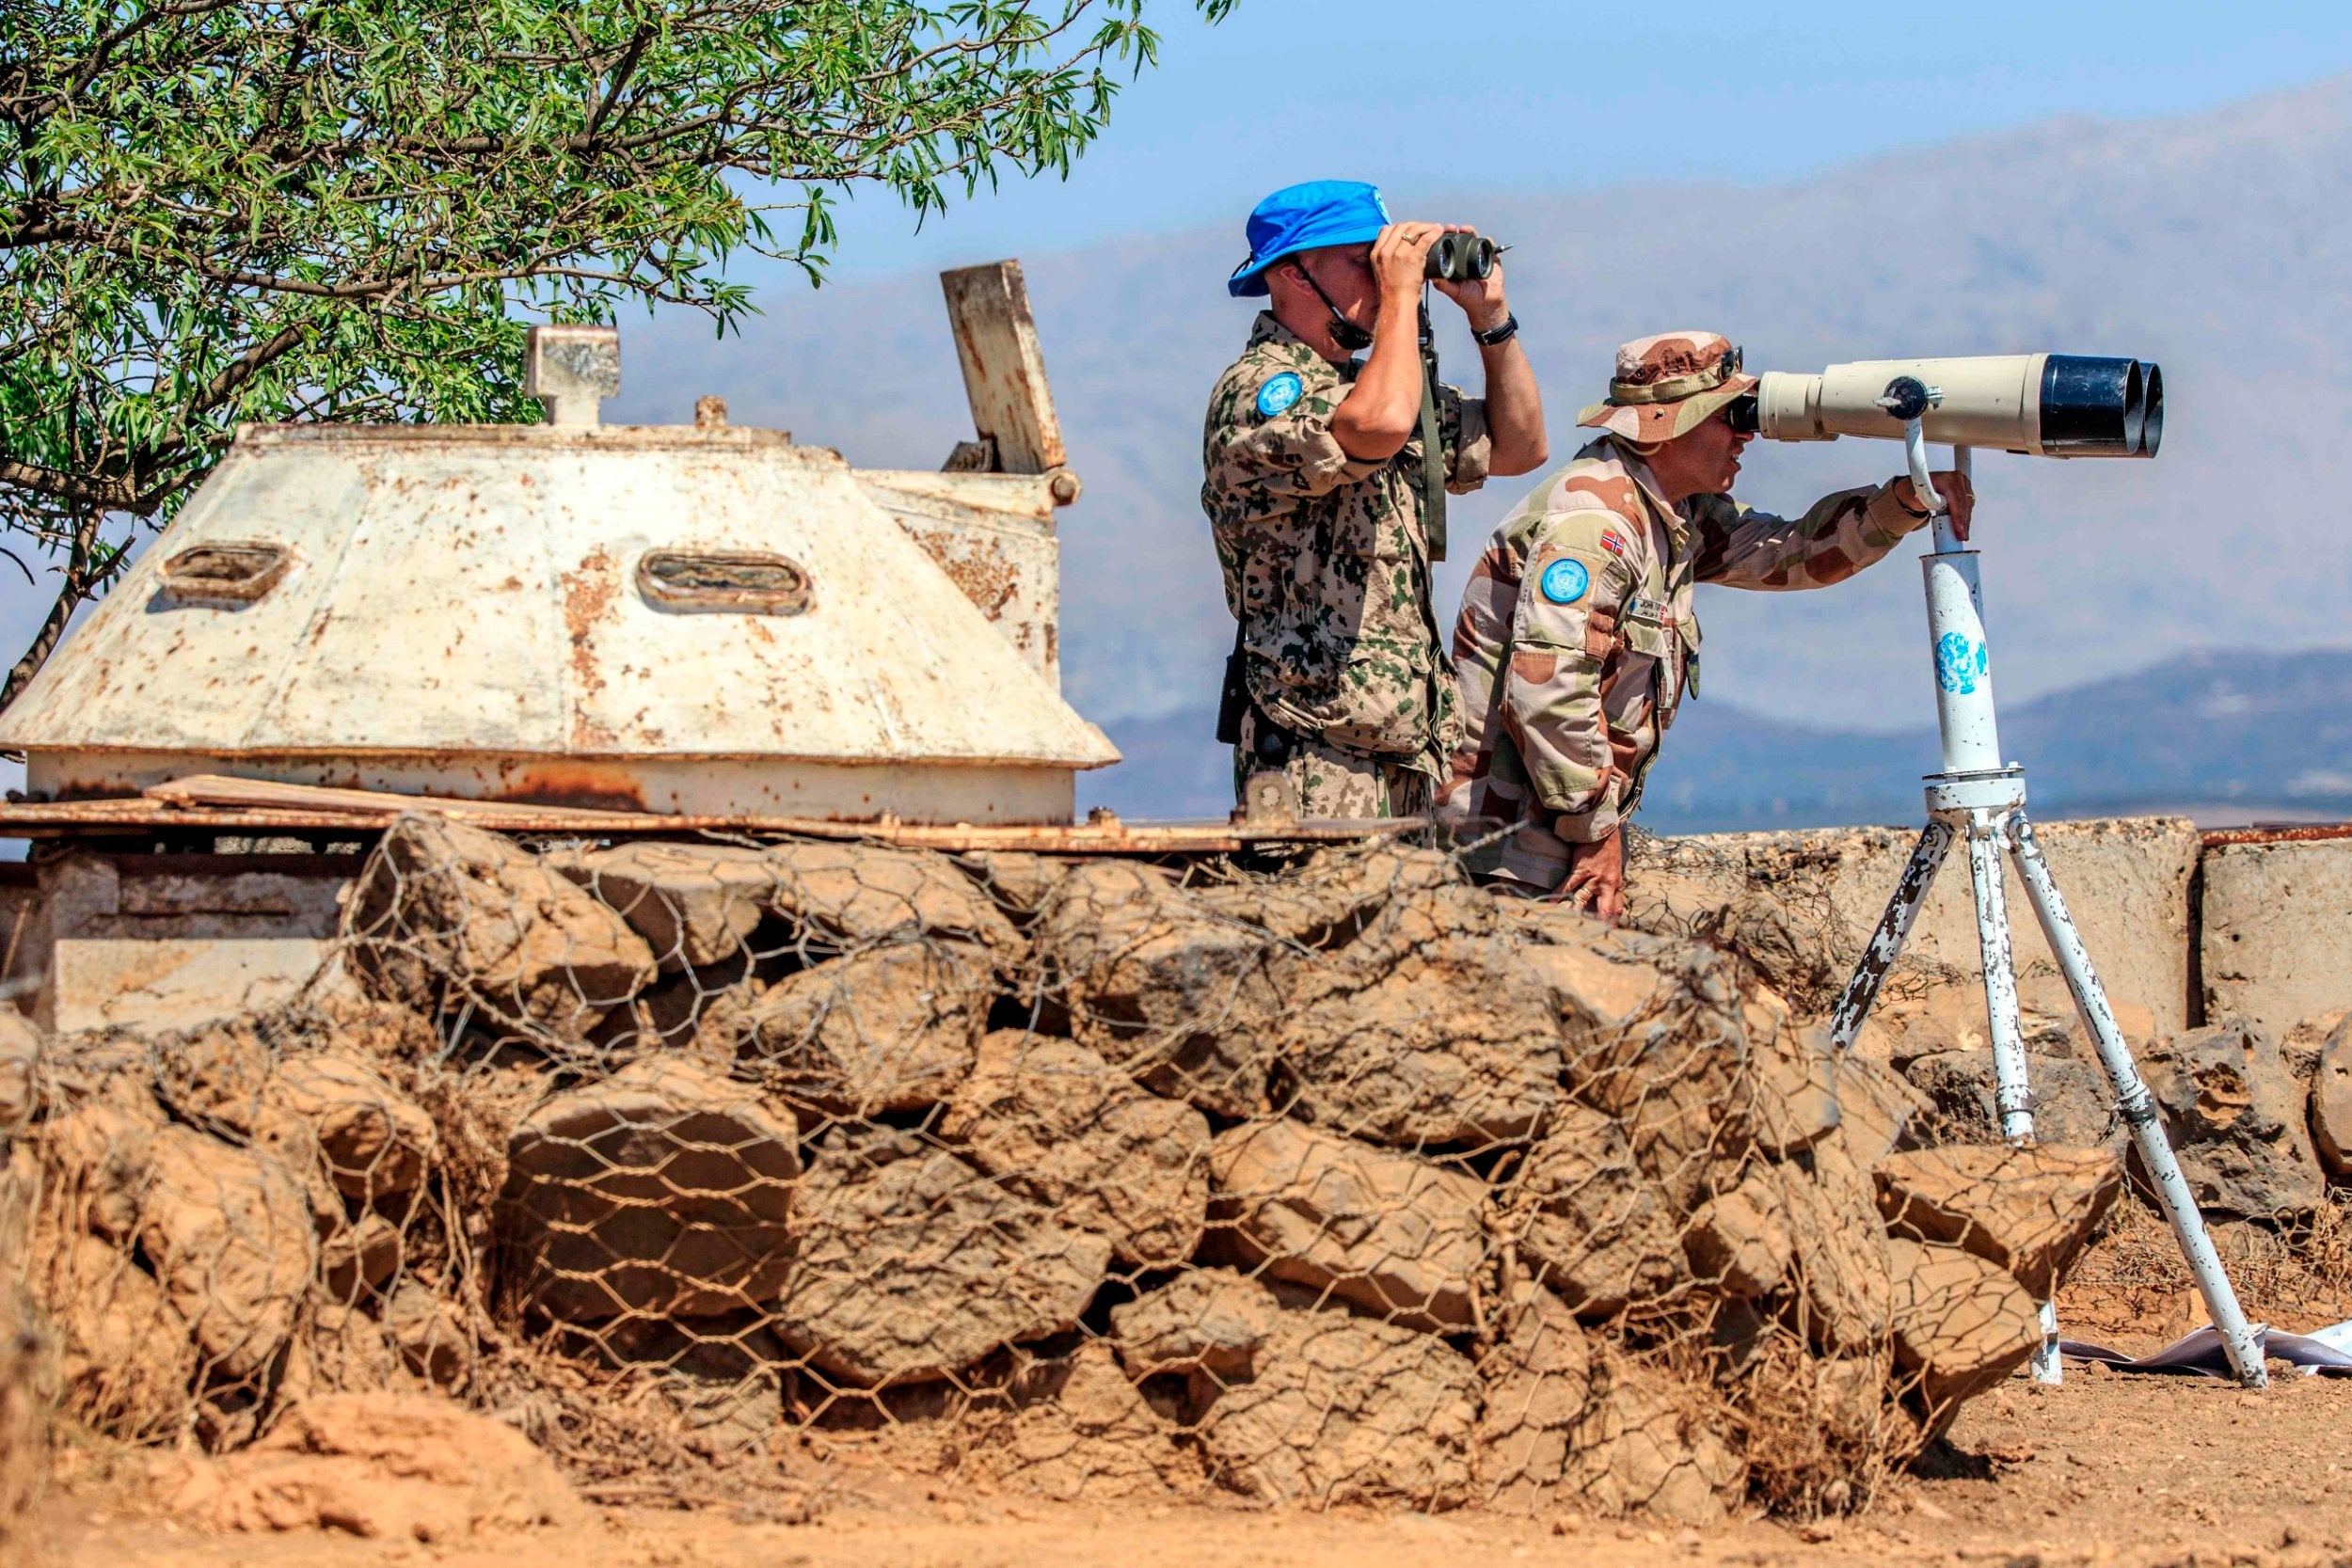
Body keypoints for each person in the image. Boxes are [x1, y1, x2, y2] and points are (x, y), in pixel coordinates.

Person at [1444, 330, 1974, 918]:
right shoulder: (1594, 525)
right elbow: (1548, 688)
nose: (1745, 434)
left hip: (1548, 835)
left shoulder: (1669, 513)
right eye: (1727, 415)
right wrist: (1594, 831)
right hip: (1508, 846)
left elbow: (1790, 552)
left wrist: (1906, 500)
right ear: (1671, 425)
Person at [1201, 180, 1547, 818]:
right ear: (1293, 275)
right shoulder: (1258, 390)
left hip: (1401, 746)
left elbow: (1520, 446)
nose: (1381, 272)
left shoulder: (1374, 387)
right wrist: (1398, 296)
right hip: (1310, 750)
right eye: (1362, 261)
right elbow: (1378, 426)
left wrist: (1490, 320)